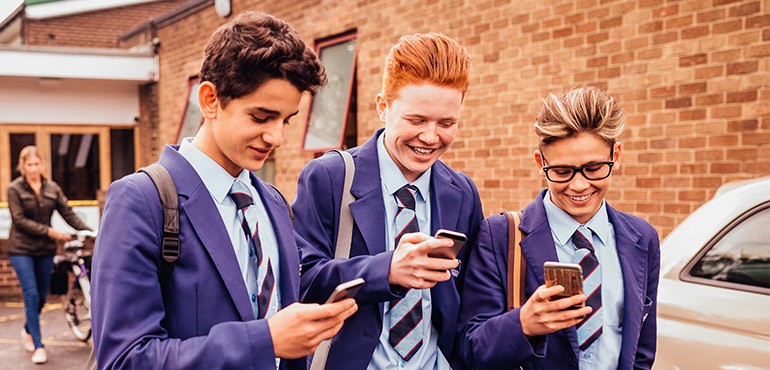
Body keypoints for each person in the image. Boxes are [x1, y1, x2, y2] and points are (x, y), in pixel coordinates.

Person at [91, 12, 357, 369]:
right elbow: (125, 359)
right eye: (261, 117)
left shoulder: (273, 201)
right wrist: (266, 340)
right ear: (210, 100)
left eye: (287, 120)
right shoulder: (141, 200)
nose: (276, 137)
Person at [293, 33, 483, 369]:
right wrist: (388, 270)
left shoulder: (463, 192)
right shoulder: (329, 177)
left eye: (446, 123)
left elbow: (469, 301)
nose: (430, 137)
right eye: (416, 120)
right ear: (383, 107)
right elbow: (302, 281)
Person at [458, 86, 660, 369]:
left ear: (618, 155)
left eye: (594, 168)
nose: (579, 185)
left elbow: (642, 350)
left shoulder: (642, 238)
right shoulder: (500, 235)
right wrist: (523, 324)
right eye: (562, 172)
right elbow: (470, 347)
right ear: (541, 163)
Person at [7, 145, 93, 364]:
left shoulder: (52, 188)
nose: (34, 168)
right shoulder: (15, 189)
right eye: (29, 165)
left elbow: (68, 213)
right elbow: (19, 220)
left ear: (42, 165)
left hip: (45, 250)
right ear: (22, 166)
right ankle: (38, 345)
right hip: (21, 249)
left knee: (43, 298)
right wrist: (51, 232)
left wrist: (89, 230)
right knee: (31, 295)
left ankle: (28, 329)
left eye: (37, 164)